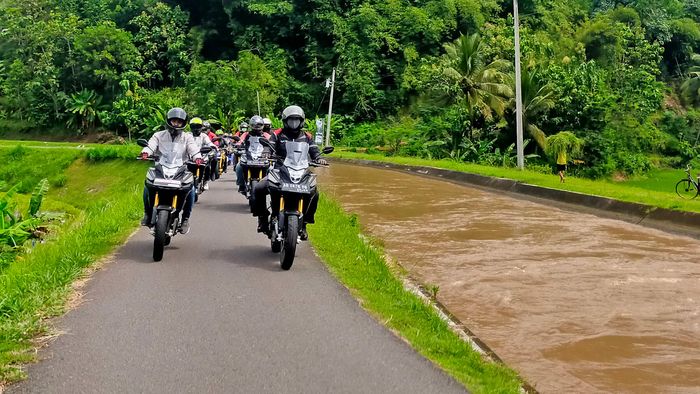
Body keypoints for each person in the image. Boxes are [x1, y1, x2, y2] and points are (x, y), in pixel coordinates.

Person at [252, 105, 327, 240]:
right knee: (258, 188)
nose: (294, 123)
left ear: (302, 121)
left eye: (297, 120)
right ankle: (263, 218)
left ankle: (304, 223)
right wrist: (266, 152)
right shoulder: (277, 134)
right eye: (291, 120)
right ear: (285, 120)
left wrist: (319, 158)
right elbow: (269, 146)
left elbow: (314, 150)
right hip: (280, 170)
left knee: (314, 193)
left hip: (301, 171)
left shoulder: (307, 136)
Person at [140, 108, 203, 234]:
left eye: (179, 122)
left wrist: (197, 157)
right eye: (174, 121)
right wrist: (146, 152)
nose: (176, 124)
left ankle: (185, 219)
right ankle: (147, 213)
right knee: (147, 186)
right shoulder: (158, 135)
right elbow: (151, 145)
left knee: (190, 190)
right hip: (160, 168)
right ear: (169, 121)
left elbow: (193, 149)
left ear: (183, 123)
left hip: (180, 169)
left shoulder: (187, 138)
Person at [235, 115, 272, 193]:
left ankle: (270, 187)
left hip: (262, 157)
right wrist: (238, 144)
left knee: (271, 169)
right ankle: (241, 185)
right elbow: (240, 141)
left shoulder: (266, 135)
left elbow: (272, 143)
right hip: (248, 156)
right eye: (255, 125)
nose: (256, 127)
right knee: (238, 167)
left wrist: (272, 150)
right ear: (251, 125)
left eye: (258, 125)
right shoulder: (246, 134)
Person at [189, 117, 216, 188]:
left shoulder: (204, 136)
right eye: (193, 126)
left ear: (201, 127)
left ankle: (206, 180)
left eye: (197, 126)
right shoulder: (187, 135)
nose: (195, 128)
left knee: (207, 167)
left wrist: (213, 147)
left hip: (202, 156)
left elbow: (209, 143)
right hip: (190, 157)